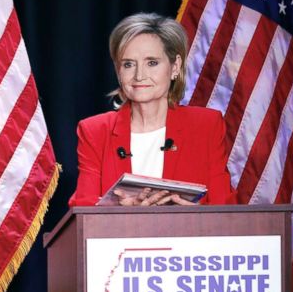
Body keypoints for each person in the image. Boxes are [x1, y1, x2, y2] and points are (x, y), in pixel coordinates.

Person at [68, 13, 235, 207]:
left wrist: (196, 217)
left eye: (152, 63)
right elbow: (82, 207)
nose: (139, 75)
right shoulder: (95, 131)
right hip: (119, 237)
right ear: (118, 71)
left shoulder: (206, 125)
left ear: (175, 67)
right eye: (128, 64)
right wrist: (117, 210)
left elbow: (225, 207)